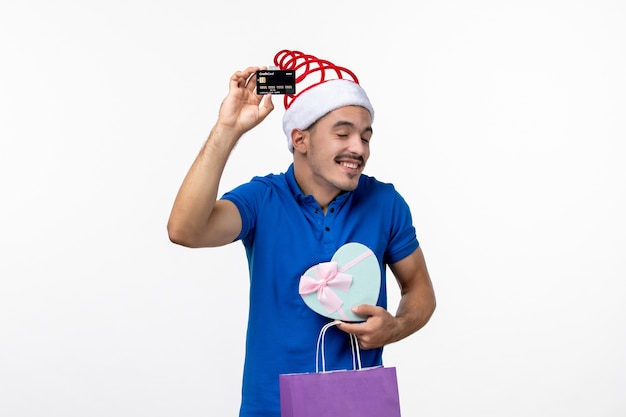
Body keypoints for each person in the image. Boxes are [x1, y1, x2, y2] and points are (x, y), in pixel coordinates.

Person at [167, 50, 436, 417]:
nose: (358, 148)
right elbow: (185, 230)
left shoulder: (385, 203)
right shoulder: (262, 199)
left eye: (365, 136)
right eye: (343, 133)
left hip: (359, 407)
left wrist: (396, 326)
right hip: (271, 408)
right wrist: (227, 129)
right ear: (300, 139)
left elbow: (420, 289)